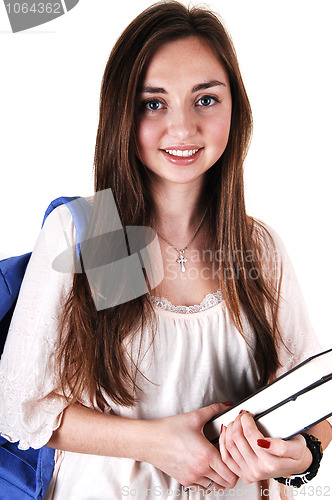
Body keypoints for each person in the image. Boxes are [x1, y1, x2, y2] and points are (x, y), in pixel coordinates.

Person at [0, 1, 331, 499]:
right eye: (153, 103)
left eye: (205, 99)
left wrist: (302, 455)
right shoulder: (98, 233)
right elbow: (19, 407)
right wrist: (155, 443)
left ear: (234, 107)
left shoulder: (256, 248)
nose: (182, 128)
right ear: (122, 114)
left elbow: (315, 400)